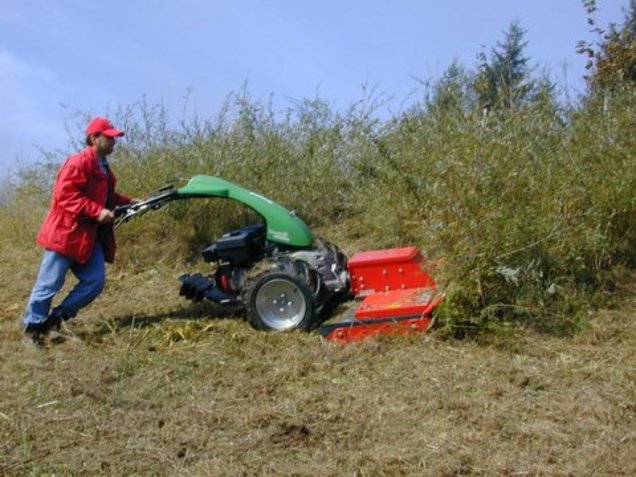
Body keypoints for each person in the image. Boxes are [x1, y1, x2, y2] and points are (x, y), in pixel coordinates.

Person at [22, 117, 133, 345]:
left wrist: (130, 202)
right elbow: (66, 195)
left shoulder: (103, 167)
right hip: (65, 234)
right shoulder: (78, 162)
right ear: (94, 138)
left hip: (87, 237)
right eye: (109, 137)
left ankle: (55, 320)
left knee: (95, 281)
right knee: (48, 285)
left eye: (115, 138)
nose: (114, 142)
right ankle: (32, 330)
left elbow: (107, 198)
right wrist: (97, 211)